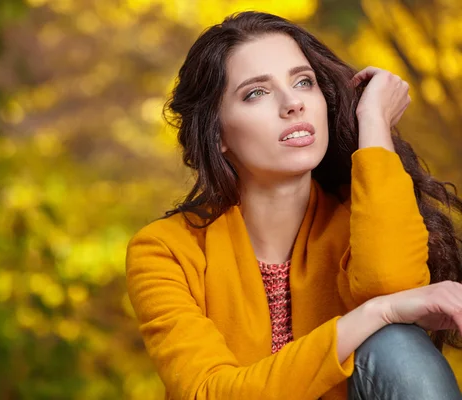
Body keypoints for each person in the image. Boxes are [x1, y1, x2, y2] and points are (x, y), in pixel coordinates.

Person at [125, 11, 462, 400]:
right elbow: (207, 393)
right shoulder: (164, 250)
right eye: (256, 92)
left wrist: (372, 123)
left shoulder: (361, 222)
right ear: (217, 135)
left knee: (397, 345)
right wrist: (373, 314)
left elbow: (392, 285)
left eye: (304, 82)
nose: (293, 104)